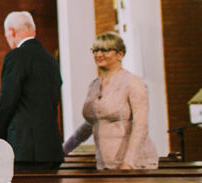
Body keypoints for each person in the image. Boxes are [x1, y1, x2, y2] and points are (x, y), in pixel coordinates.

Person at [62, 32, 158, 169]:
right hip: (105, 163)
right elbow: (89, 124)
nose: (99, 54)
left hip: (134, 164)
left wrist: (128, 163)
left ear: (120, 54)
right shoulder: (94, 85)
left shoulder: (133, 82)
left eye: (105, 50)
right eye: (96, 50)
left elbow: (141, 126)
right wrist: (65, 149)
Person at [0, 10, 64, 170]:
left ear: (11, 31)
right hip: (51, 149)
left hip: (24, 150)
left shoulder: (16, 56)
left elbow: (7, 102)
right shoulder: (50, 59)